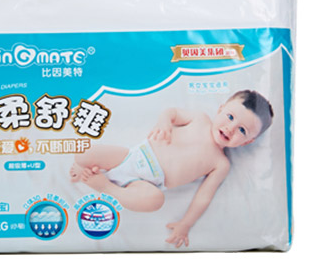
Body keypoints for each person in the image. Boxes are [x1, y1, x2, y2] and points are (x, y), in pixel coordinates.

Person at [70, 90, 274, 248]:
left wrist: (186, 224)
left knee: (155, 201)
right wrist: (164, 123)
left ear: (248, 142)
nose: (231, 128)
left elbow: (204, 196)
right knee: (84, 153)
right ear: (220, 109)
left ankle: (106, 187)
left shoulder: (221, 164)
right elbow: (172, 112)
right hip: (133, 156)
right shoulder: (200, 119)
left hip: (148, 183)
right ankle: (81, 166)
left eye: (242, 130)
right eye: (230, 117)